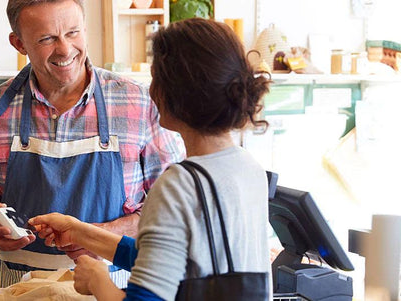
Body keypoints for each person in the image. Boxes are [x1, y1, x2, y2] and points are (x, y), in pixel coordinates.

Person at [29, 17, 272, 300]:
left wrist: (96, 279)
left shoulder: (178, 185)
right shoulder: (247, 166)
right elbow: (167, 260)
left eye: (155, 77)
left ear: (173, 92)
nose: (150, 89)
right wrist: (80, 232)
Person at [0, 0, 185, 288]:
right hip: (20, 288)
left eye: (73, 33)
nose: (64, 49)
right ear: (19, 43)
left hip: (117, 287)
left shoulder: (138, 102)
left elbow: (176, 207)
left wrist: (97, 237)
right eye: (47, 38)